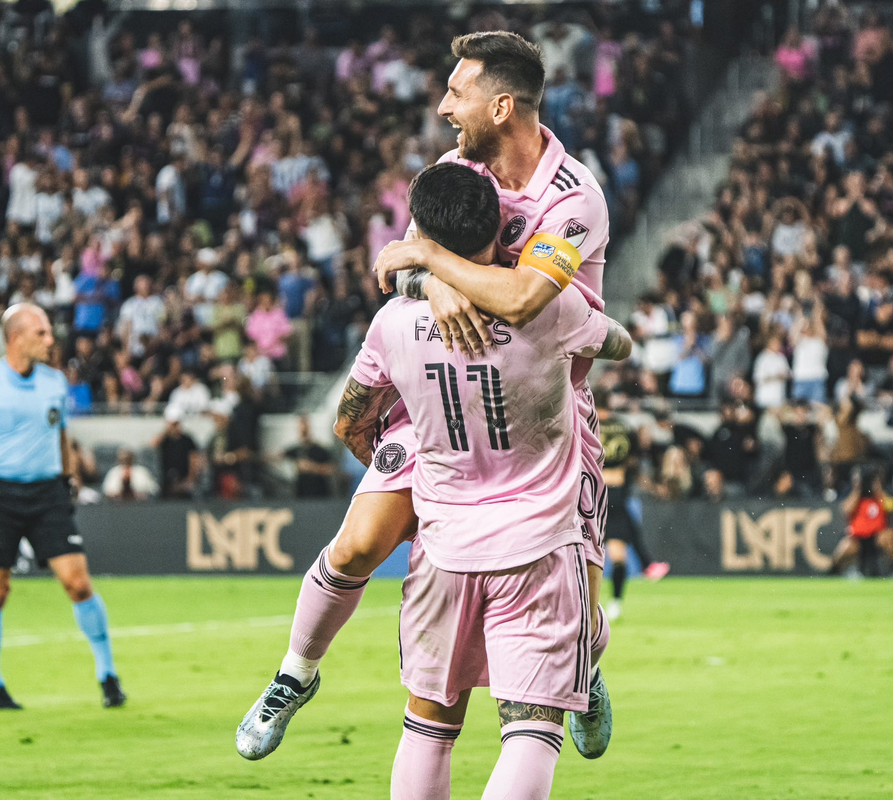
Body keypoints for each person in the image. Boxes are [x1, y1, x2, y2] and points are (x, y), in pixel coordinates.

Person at [245, 30, 616, 763]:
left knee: (576, 604)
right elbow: (402, 272)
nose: (444, 106)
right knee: (357, 545)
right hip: (441, 396)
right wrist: (433, 279)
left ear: (501, 106)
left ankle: (582, 663)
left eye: (457, 91)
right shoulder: (453, 171)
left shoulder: (572, 197)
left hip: (540, 418)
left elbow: (521, 297)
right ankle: (295, 674)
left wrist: (430, 262)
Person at [316, 163, 632, 799]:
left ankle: (295, 671)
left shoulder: (393, 323)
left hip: (443, 542)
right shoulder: (553, 309)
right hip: (538, 540)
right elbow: (618, 343)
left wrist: (428, 280)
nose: (446, 114)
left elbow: (349, 423)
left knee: (428, 726)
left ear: (421, 236)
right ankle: (584, 660)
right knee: (531, 729)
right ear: (504, 229)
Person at [0, 304, 125, 711]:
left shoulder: (55, 382)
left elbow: (61, 437)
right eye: (41, 332)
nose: (50, 339)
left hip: (47, 494)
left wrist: (68, 478)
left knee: (78, 583)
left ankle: (108, 675)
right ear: (16, 338)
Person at [597, 396, 669, 623]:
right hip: (616, 491)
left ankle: (587, 606)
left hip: (591, 494)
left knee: (591, 555)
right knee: (619, 555)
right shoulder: (623, 427)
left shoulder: (586, 425)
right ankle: (617, 602)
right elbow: (635, 457)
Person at [829, 469, 893, 577]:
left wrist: (878, 490)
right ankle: (835, 572)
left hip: (876, 537)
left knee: (889, 536)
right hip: (857, 538)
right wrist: (858, 489)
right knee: (844, 547)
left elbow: (891, 507)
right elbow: (846, 509)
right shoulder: (852, 493)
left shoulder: (880, 496)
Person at [155, 407, 201, 499]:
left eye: (176, 424)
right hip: (166, 479)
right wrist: (166, 431)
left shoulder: (187, 440)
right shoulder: (164, 440)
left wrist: (190, 479)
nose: (174, 427)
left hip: (183, 478)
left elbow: (194, 459)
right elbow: (152, 446)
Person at [284, 416, 336, 499]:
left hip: (319, 494)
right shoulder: (296, 450)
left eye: (305, 427)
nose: (303, 430)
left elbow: (330, 470)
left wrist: (310, 467)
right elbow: (277, 456)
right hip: (302, 494)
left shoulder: (321, 450)